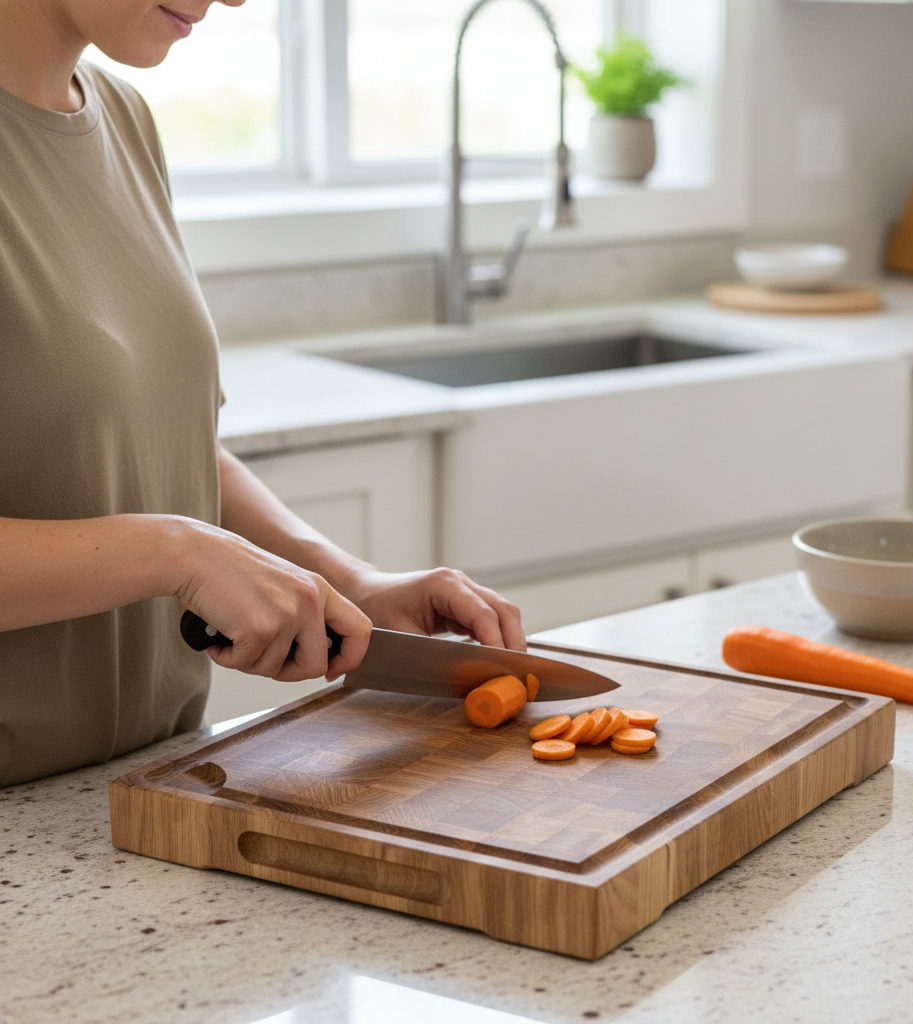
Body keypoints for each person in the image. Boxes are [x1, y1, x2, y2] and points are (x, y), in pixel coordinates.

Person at [0, 0, 525, 787]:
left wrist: (351, 583)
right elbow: (167, 533)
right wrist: (175, 551)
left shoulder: (123, 118)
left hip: (155, 784)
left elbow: (162, 438)